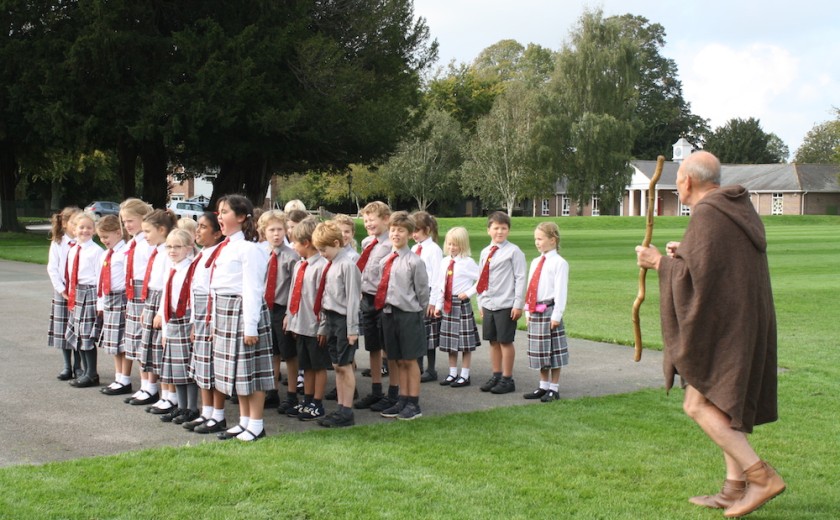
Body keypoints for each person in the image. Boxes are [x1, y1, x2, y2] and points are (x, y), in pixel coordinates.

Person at [635, 150, 784, 518]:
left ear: (687, 180)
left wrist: (659, 263)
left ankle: (760, 476)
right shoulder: (735, 208)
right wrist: (681, 254)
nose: (679, 186)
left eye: (680, 180)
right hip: (743, 321)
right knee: (723, 404)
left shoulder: (707, 213)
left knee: (697, 404)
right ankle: (734, 489)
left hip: (726, 327)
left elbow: (695, 282)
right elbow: (715, 267)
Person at [211, 194, 274, 442]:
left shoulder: (250, 249)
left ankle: (257, 424)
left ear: (240, 217)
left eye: (225, 212)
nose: (220, 217)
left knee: (252, 371)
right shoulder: (225, 246)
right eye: (219, 212)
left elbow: (252, 289)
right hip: (225, 312)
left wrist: (250, 326)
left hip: (244, 312)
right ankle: (244, 421)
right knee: (239, 373)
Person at [375, 211, 429, 420]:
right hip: (389, 313)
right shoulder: (386, 260)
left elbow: (422, 292)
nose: (396, 234)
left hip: (408, 314)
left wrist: (417, 310)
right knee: (396, 360)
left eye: (401, 230)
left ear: (409, 233)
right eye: (393, 230)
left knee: (410, 360)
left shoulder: (414, 262)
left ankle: (413, 403)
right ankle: (402, 399)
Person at [312, 221, 362, 427]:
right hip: (331, 319)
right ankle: (340, 407)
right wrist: (324, 325)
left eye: (324, 249)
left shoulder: (347, 265)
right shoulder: (330, 264)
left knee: (344, 366)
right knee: (337, 366)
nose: (322, 254)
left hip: (343, 321)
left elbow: (352, 299)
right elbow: (325, 296)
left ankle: (346, 411)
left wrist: (352, 329)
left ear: (335, 243)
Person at [184, 212, 228, 434]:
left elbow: (213, 290)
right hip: (200, 313)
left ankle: (218, 415)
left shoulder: (218, 256)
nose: (197, 231)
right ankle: (206, 411)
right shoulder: (201, 254)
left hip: (211, 312)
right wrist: (194, 321)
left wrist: (211, 320)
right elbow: (194, 291)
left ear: (217, 232)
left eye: (203, 227)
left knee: (213, 365)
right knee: (202, 365)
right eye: (197, 226)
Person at [283, 217, 330, 422]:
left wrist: (323, 327)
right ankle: (308, 400)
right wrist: (290, 318)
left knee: (318, 366)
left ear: (307, 243)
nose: (292, 246)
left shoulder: (321, 267)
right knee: (306, 365)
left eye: (294, 242)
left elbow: (325, 299)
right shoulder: (300, 266)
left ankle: (317, 403)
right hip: (301, 324)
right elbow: (294, 293)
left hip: (315, 325)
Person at [475, 211, 526, 394]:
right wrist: (480, 302)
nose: (500, 232)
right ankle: (496, 374)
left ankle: (507, 378)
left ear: (508, 231)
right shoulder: (485, 252)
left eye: (504, 228)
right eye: (496, 228)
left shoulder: (513, 251)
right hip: (488, 303)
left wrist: (518, 304)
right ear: (489, 230)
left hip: (506, 303)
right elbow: (481, 278)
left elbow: (520, 278)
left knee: (505, 341)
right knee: (493, 341)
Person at [135, 209, 179, 411]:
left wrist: (161, 312)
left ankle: (170, 396)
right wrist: (147, 307)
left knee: (162, 351)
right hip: (152, 299)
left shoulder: (167, 253)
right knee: (151, 349)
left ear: (161, 229)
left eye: (147, 231)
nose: (145, 236)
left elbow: (166, 284)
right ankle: (154, 390)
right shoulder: (157, 251)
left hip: (162, 301)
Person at [353, 201, 395, 411]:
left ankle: (394, 392)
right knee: (373, 346)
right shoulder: (368, 242)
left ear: (386, 220)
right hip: (367, 299)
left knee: (389, 347)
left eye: (373, 219)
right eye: (366, 219)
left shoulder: (390, 245)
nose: (368, 223)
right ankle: (376, 389)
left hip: (384, 301)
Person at [257, 210, 300, 414]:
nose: (276, 234)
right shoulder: (260, 253)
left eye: (280, 229)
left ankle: (292, 394)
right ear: (263, 232)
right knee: (271, 352)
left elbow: (295, 287)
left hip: (283, 309)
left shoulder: (292, 256)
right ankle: (271, 391)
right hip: (265, 308)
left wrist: (290, 314)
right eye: (271, 230)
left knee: (289, 353)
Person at [523, 222, 569, 402]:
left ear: (553, 240)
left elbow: (560, 291)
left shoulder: (560, 263)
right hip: (535, 310)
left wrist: (557, 315)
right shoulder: (535, 261)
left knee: (553, 352)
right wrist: (527, 311)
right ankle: (543, 386)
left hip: (550, 311)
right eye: (535, 239)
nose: (537, 242)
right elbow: (530, 287)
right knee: (540, 351)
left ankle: (554, 388)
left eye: (540, 239)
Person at [433, 226, 480, 388]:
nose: (452, 248)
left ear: (463, 245)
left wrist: (468, 292)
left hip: (461, 305)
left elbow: (482, 281)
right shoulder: (444, 262)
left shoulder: (467, 263)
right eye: (450, 244)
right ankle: (452, 373)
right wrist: (438, 306)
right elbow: (441, 285)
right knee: (450, 342)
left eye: (456, 245)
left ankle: (465, 375)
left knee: (464, 343)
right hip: (447, 304)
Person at [118, 198, 154, 402]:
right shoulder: (132, 243)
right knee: (135, 340)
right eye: (124, 221)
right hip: (133, 291)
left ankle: (151, 386)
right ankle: (144, 384)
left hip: (143, 291)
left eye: (130, 220)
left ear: (143, 218)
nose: (127, 225)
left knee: (144, 340)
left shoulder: (147, 244)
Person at [64, 212, 105, 388]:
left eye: (89, 227)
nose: (85, 231)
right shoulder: (73, 249)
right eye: (81, 227)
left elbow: (99, 277)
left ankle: (91, 373)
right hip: (77, 293)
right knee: (78, 334)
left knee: (87, 335)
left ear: (94, 230)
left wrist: (98, 301)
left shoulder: (96, 251)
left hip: (90, 293)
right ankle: (85, 371)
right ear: (74, 229)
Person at [95, 215, 130, 394]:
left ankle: (125, 379)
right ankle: (118, 377)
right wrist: (100, 303)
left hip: (121, 298)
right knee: (114, 343)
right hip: (108, 299)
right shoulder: (105, 255)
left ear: (118, 232)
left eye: (106, 237)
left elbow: (126, 278)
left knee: (123, 342)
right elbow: (101, 280)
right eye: (101, 237)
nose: (103, 240)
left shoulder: (124, 253)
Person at [47, 206, 83, 380]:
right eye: (74, 222)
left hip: (79, 292)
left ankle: (79, 366)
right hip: (63, 292)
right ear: (65, 224)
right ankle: (67, 366)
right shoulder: (58, 243)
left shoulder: (82, 243)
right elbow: (52, 268)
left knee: (77, 328)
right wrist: (61, 289)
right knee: (63, 329)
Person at [411, 211, 443, 383]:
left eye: (417, 230)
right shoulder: (415, 248)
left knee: (429, 334)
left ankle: (431, 369)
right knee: (417, 333)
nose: (413, 234)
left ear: (427, 230)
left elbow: (438, 278)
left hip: (429, 294)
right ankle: (418, 366)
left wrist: (433, 302)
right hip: (415, 294)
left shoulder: (434, 250)